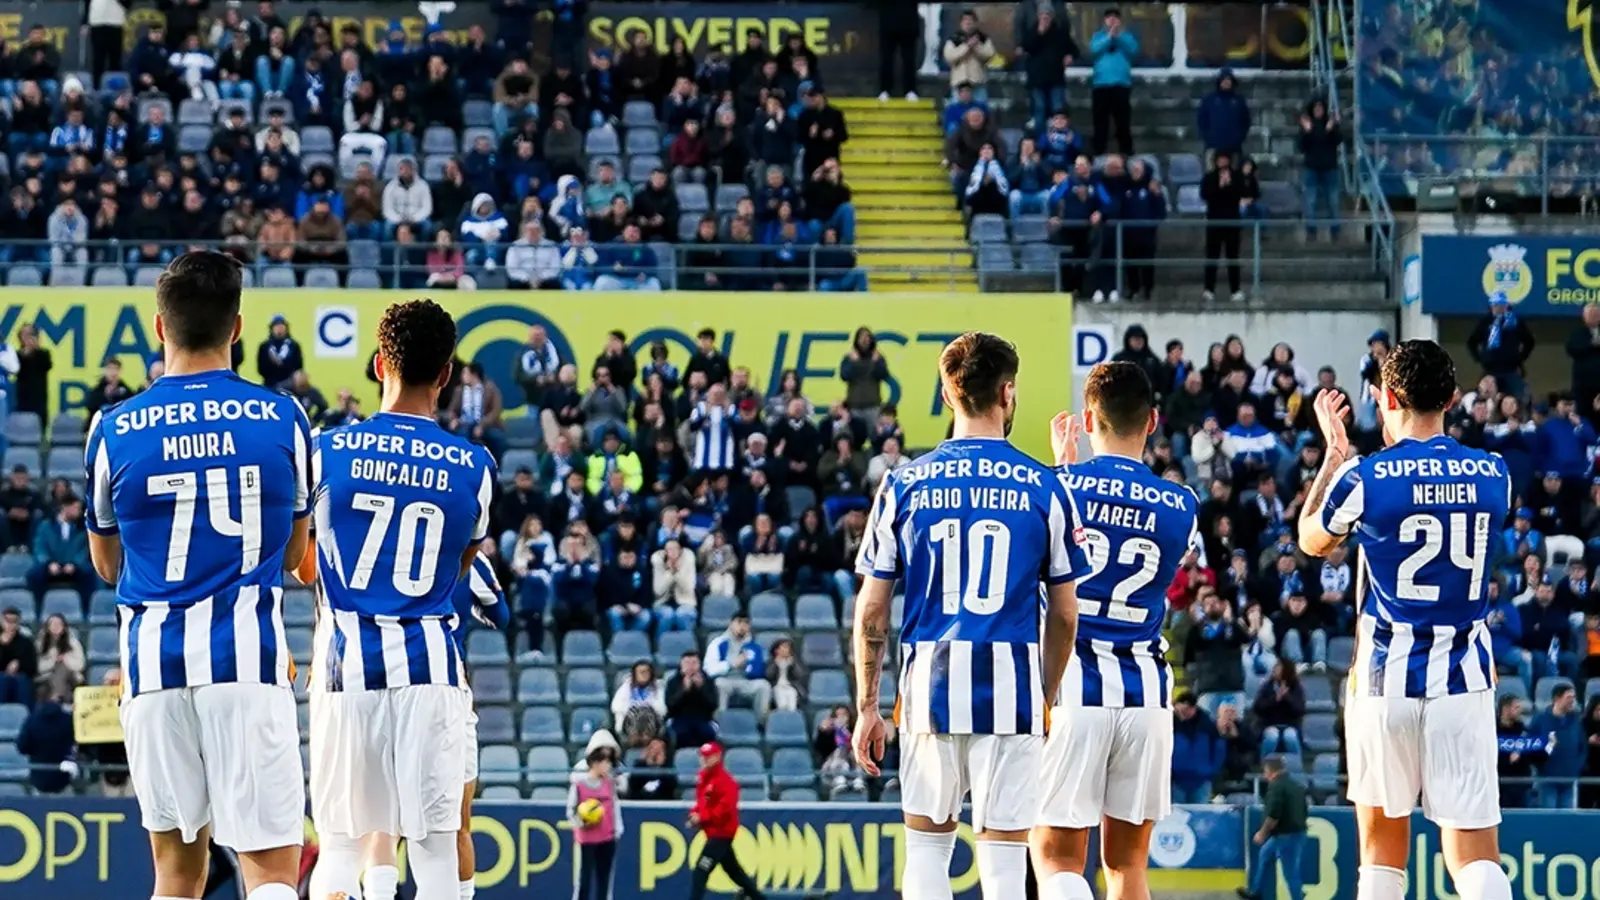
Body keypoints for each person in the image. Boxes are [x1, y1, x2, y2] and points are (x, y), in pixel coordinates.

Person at [83, 251, 312, 900]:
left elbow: (106, 564)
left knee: (176, 876)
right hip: (245, 664)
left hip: (153, 671)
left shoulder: (113, 427)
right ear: (237, 328)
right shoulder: (284, 418)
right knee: (269, 871)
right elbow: (297, 554)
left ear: (160, 328)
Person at [853, 332, 1087, 900]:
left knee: (928, 852)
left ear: (946, 393)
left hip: (930, 689)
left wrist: (867, 707)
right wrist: (1047, 695)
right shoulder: (1045, 486)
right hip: (1011, 692)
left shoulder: (902, 482)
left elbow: (873, 609)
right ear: (1007, 393)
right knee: (1005, 865)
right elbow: (1064, 616)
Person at [1298, 339, 1513, 900]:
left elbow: (1311, 539)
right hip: (1463, 680)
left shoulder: (1367, 477)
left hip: (1383, 680)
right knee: (1474, 855)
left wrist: (1335, 456)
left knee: (1381, 854)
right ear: (1454, 398)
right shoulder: (1494, 474)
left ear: (1386, 396)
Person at [306, 299, 496, 900]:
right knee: (437, 848)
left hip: (346, 670)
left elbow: (301, 562)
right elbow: (456, 570)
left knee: (339, 842)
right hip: (431, 670)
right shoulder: (476, 465)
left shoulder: (325, 450)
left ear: (380, 361)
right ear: (445, 375)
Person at [1033, 361, 1200, 900]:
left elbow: (1062, 549)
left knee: (1057, 855)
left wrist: (1066, 468)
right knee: (1128, 865)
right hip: (1147, 692)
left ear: (1087, 418)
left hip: (1073, 684)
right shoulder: (1184, 504)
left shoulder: (1058, 487)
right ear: (1152, 421)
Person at [357, 541, 510, 900]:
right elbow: (499, 614)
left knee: (384, 817)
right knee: (455, 823)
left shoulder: (378, 544)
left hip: (381, 684)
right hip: (443, 687)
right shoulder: (465, 551)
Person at [686, 741, 765, 900]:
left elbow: (724, 810)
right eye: (702, 757)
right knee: (735, 873)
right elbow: (702, 802)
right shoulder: (703, 778)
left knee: (701, 871)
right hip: (713, 832)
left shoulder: (727, 782)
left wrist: (702, 818)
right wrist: (694, 814)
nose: (703, 760)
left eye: (707, 757)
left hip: (722, 833)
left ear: (717, 757)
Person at [1238, 755, 1310, 900]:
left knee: (1290, 872)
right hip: (1296, 832)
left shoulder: (1276, 786)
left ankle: (1298, 897)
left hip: (1285, 834)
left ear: (1269, 770)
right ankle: (1256, 891)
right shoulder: (1296, 785)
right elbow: (1304, 810)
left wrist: (1262, 833)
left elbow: (1273, 814)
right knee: (1265, 854)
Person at [568, 747, 623, 900]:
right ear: (594, 763)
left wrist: (617, 831)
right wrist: (582, 822)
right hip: (587, 840)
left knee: (604, 882)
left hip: (607, 838)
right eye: (605, 762)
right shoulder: (579, 785)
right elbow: (570, 812)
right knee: (584, 881)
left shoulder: (610, 784)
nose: (608, 766)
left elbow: (615, 807)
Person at [1467, 292, 1536, 401]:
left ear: (1506, 306)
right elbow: (1472, 342)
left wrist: (1519, 358)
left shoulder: (1515, 322)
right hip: (1490, 369)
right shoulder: (1485, 322)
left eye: (1500, 305)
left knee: (1518, 397)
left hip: (1510, 369)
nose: (1498, 308)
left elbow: (1529, 341)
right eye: (1495, 305)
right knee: (1484, 396)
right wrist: (1480, 359)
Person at [705, 612, 773, 718]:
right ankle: (720, 723)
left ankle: (761, 724)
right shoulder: (718, 643)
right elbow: (709, 670)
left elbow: (760, 672)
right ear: (731, 624)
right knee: (720, 684)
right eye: (739, 622)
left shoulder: (754, 647)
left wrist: (748, 667)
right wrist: (731, 664)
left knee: (764, 685)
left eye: (746, 623)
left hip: (746, 682)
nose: (742, 626)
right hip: (725, 680)